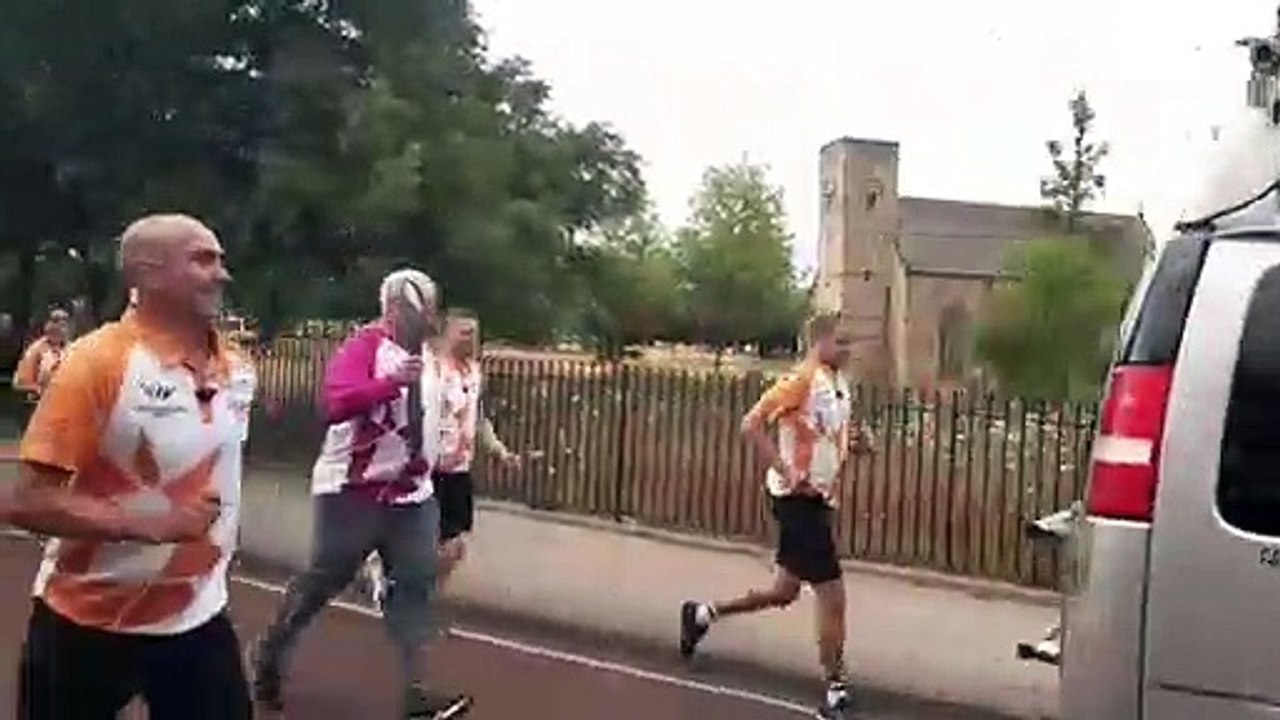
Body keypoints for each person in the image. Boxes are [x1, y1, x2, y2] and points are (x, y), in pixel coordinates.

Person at [2, 214, 257, 719]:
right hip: (87, 622)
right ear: (148, 271)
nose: (222, 274)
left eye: (221, 260)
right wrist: (150, 524)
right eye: (203, 260)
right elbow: (29, 501)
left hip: (196, 617)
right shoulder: (97, 363)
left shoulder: (237, 369)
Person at [250, 268, 471, 720]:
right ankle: (270, 656)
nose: (426, 315)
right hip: (354, 492)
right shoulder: (365, 347)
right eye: (416, 306)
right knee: (323, 581)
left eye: (429, 305)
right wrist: (389, 385)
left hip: (412, 496)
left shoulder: (430, 358)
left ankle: (417, 695)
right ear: (392, 307)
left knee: (414, 586)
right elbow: (334, 404)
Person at [678, 312, 861, 719]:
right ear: (822, 341)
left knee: (785, 591)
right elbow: (751, 424)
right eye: (842, 342)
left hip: (818, 500)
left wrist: (856, 445)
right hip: (798, 502)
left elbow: (824, 432)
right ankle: (835, 690)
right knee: (833, 596)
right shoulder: (800, 380)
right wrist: (782, 467)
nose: (849, 350)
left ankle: (702, 615)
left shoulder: (838, 384)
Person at [364, 308, 519, 607]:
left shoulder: (473, 372)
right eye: (464, 332)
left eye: (475, 333)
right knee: (423, 541)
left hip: (458, 469)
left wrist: (499, 449)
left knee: (455, 545)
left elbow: (478, 417)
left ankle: (419, 594)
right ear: (447, 334)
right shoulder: (431, 370)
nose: (471, 339)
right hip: (427, 467)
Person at [12, 308, 71, 400]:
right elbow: (19, 384)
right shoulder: (35, 350)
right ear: (48, 326)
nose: (60, 328)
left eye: (64, 325)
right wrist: (39, 389)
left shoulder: (72, 349)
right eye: (55, 322)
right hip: (42, 403)